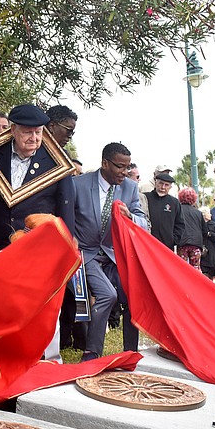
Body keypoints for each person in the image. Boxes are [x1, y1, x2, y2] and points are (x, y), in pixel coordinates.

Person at [72, 142, 148, 360]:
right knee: (107, 294)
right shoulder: (77, 184)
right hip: (84, 254)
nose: (125, 172)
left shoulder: (130, 188)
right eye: (119, 167)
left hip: (113, 255)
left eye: (127, 167)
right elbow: (65, 219)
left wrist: (130, 217)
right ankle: (91, 354)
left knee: (133, 295)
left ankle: (130, 353)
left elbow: (144, 222)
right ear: (105, 163)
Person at [0, 103, 75, 256]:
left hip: (36, 249)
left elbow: (66, 206)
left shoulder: (57, 159)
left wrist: (66, 247)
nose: (34, 138)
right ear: (13, 130)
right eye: (27, 132)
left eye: (38, 132)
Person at [42, 104, 85, 353]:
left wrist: (69, 237)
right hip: (38, 234)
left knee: (53, 300)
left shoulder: (62, 156)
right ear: (51, 125)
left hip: (59, 238)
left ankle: (51, 354)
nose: (70, 135)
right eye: (68, 130)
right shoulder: (40, 154)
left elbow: (67, 202)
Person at [144, 172, 183, 250]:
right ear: (155, 183)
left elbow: (180, 224)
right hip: (146, 245)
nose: (163, 187)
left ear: (170, 187)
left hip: (166, 247)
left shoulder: (174, 202)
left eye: (166, 185)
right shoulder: (145, 198)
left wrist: (173, 240)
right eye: (161, 183)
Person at [176, 187, 206, 271]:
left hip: (182, 242)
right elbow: (205, 230)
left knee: (182, 268)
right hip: (196, 243)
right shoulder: (198, 213)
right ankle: (196, 284)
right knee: (196, 267)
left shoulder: (178, 210)